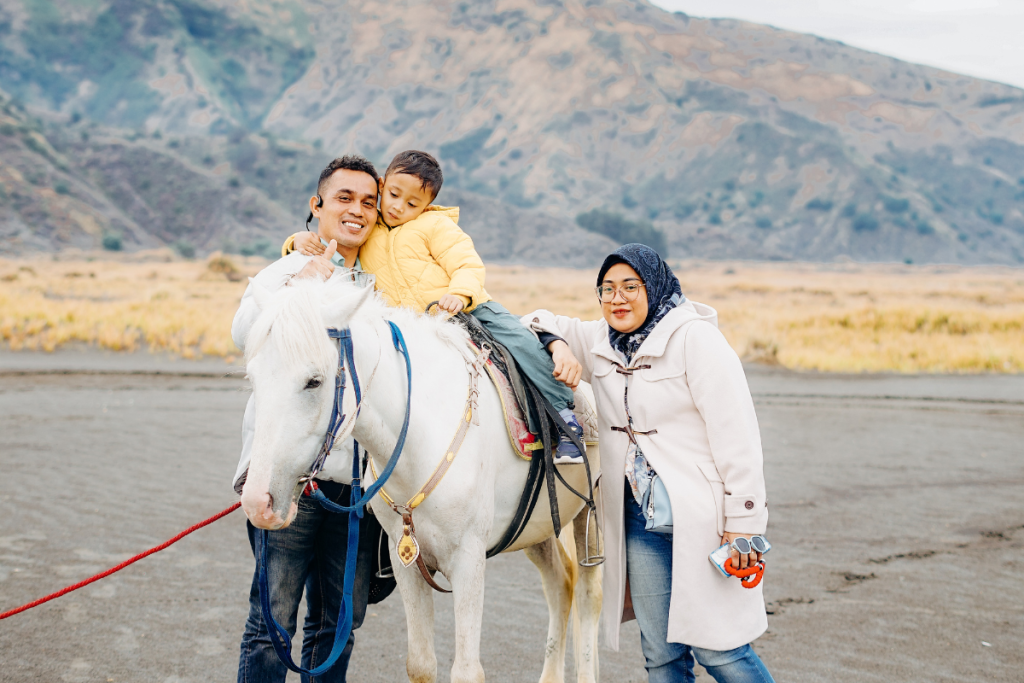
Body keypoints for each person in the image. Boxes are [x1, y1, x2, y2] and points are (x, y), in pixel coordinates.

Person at [521, 244, 776, 682]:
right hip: (639, 519)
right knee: (661, 656)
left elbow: (739, 441)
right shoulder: (599, 340)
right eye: (607, 289)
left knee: (721, 652)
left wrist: (744, 526)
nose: (617, 299)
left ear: (653, 286)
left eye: (629, 287)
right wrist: (560, 346)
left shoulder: (696, 340)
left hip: (704, 520)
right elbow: (532, 320)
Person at [284, 150, 584, 462]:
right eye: (394, 195)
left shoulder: (435, 227)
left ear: (426, 206)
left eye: (412, 204)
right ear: (383, 186)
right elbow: (337, 241)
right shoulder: (370, 229)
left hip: (469, 308)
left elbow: (467, 263)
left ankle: (564, 418)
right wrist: (296, 240)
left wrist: (461, 293)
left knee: (520, 343)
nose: (399, 207)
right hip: (413, 324)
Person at [232, 155, 383, 683]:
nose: (357, 210)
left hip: (357, 483)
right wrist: (297, 274)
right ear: (316, 205)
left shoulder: (383, 282)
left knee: (337, 626)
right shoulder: (286, 273)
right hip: (289, 475)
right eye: (344, 197)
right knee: (271, 622)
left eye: (369, 201)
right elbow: (244, 331)